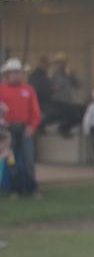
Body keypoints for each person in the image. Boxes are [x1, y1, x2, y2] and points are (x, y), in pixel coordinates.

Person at [0, 58, 41, 196]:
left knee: (29, 158)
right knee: (11, 159)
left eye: (17, 72)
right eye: (12, 73)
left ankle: (32, 187)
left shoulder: (28, 90)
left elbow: (35, 111)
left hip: (25, 128)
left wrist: (32, 126)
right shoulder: (1, 89)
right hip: (8, 130)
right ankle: (14, 188)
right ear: (7, 74)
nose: (15, 75)